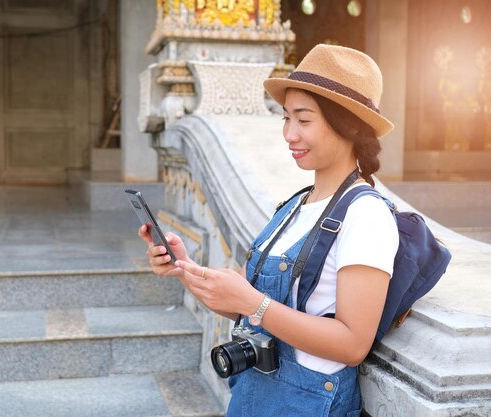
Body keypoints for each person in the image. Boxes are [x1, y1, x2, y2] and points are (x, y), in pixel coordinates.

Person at [139, 44, 399, 417]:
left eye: (304, 120)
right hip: (254, 398)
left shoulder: (366, 215)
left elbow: (352, 343)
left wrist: (252, 303)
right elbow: (242, 304)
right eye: (286, 118)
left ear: (351, 124)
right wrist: (184, 266)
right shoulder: (294, 206)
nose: (289, 134)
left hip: (307, 406)